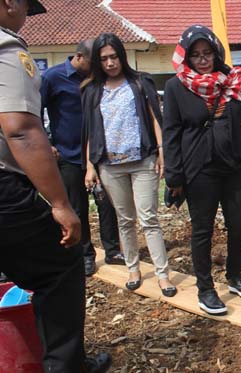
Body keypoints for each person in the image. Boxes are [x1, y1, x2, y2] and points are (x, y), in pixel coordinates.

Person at [0, 0, 111, 371]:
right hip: (3, 189)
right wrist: (60, 204)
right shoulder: (6, 48)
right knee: (61, 264)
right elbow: (21, 128)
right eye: (24, 10)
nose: (24, 20)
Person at [163, 25, 241, 315]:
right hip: (199, 168)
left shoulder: (234, 80)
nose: (203, 59)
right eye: (196, 55)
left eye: (207, 53)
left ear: (216, 53)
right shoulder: (176, 86)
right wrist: (174, 176)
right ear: (187, 57)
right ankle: (205, 288)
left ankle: (234, 275)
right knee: (203, 229)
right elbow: (171, 133)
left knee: (239, 222)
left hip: (233, 165)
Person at [82, 33, 176, 297]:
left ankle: (162, 274)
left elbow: (155, 118)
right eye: (104, 59)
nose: (110, 63)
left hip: (143, 160)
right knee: (125, 220)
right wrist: (90, 166)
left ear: (122, 56)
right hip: (110, 165)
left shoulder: (139, 82)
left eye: (114, 57)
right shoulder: (92, 91)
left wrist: (161, 152)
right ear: (97, 62)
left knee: (149, 218)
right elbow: (91, 131)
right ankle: (133, 269)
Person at [40, 38, 123, 277]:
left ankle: (113, 249)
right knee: (77, 208)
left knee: (107, 204)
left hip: (100, 153)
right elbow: (37, 110)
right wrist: (47, 142)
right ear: (79, 57)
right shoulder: (53, 78)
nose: (101, 65)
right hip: (69, 155)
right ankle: (86, 255)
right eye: (95, 61)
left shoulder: (98, 79)